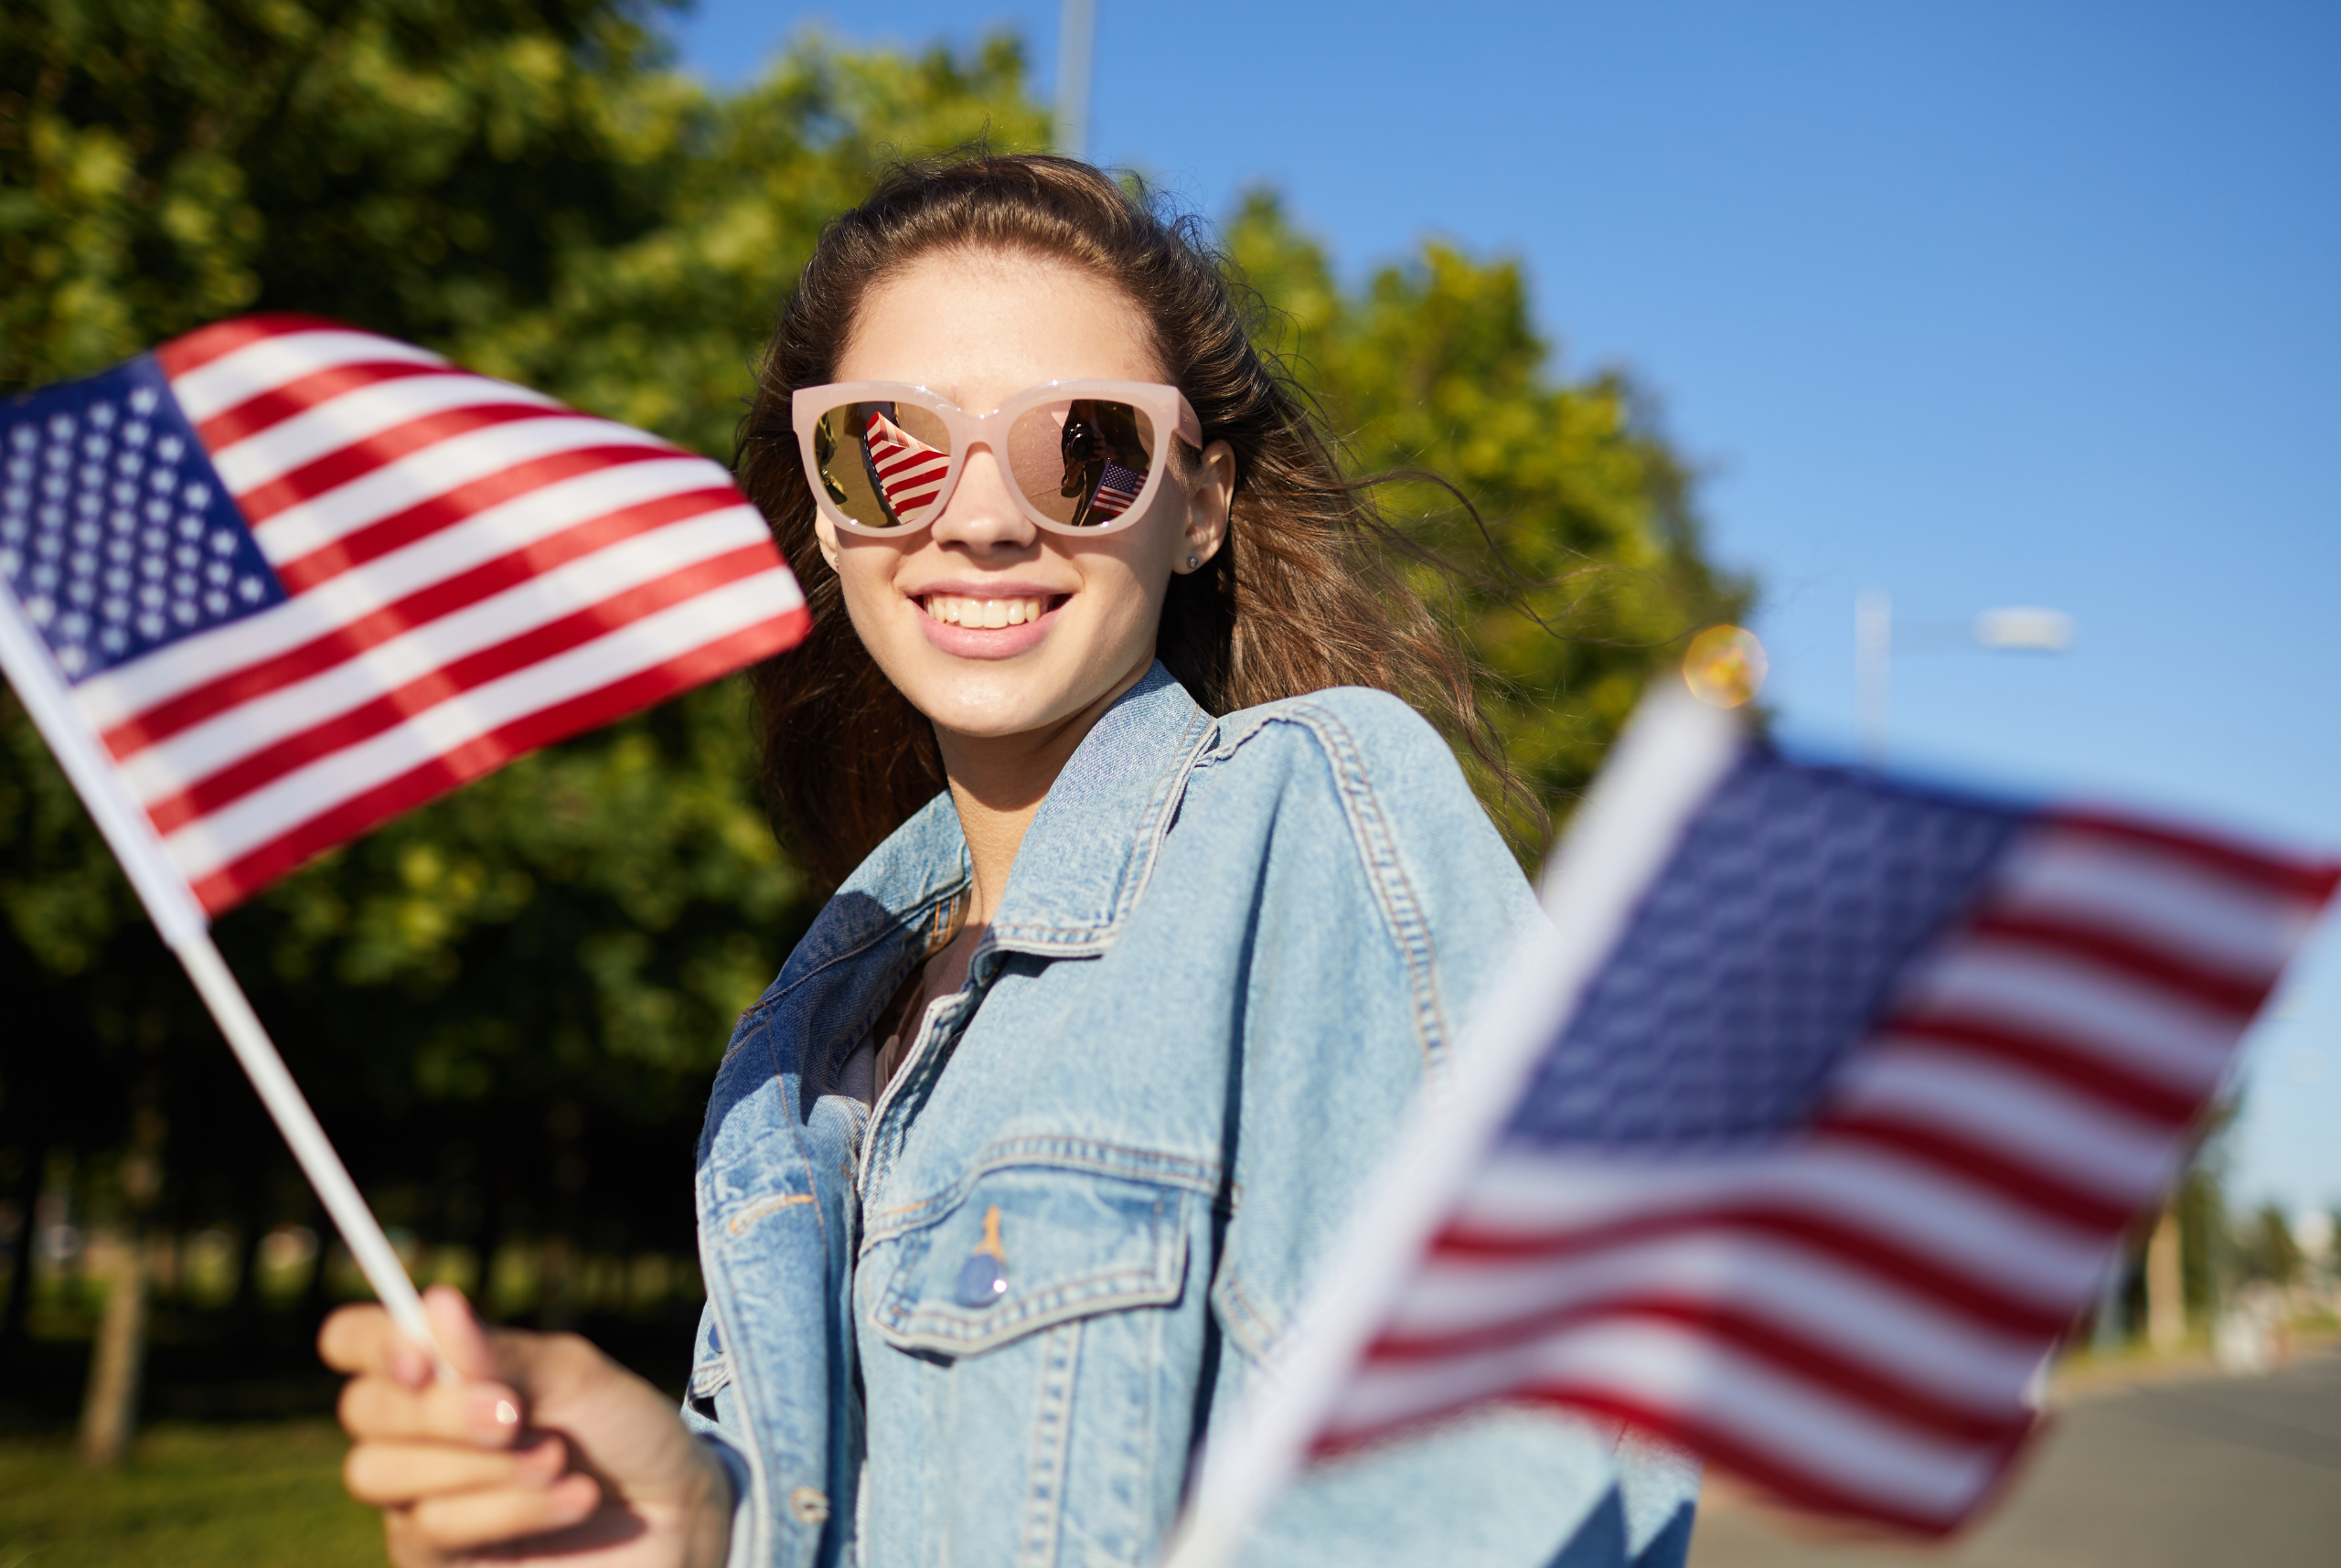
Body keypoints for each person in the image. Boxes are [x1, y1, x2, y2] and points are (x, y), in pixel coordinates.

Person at [322, 154, 1700, 1568]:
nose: (979, 520)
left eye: (1083, 451)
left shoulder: (1308, 814)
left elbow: (1537, 1481)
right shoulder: (798, 1047)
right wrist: (691, 1524)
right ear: (823, 501)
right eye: (887, 446)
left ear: (1201, 501)